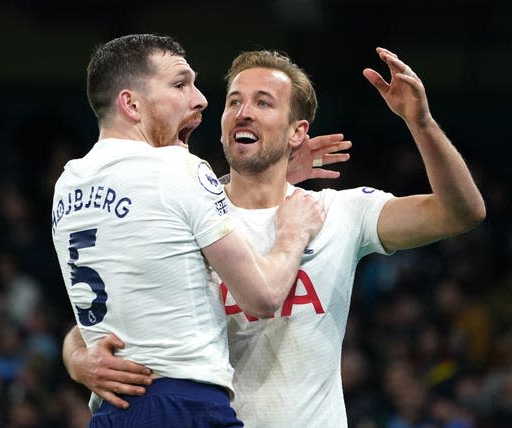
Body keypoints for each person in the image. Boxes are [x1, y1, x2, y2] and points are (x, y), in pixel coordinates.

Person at [63, 46, 486, 427]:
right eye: (234, 102)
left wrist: (421, 122)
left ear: (296, 131)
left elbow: (461, 212)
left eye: (263, 103)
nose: (243, 112)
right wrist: (78, 358)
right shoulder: (179, 212)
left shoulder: (337, 211)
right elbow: (106, 311)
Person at [51, 34, 327, 428]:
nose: (199, 99)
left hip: (113, 413)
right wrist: (293, 232)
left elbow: (138, 285)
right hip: (183, 406)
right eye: (180, 84)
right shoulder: (181, 170)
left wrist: (75, 355)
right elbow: (263, 297)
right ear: (131, 104)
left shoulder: (68, 184)